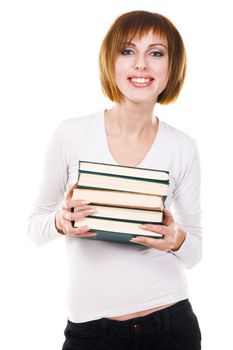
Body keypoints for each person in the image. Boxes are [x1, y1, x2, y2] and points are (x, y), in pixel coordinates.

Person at [28, 10, 202, 350]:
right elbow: (33, 228)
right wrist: (60, 222)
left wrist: (177, 237)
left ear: (172, 66)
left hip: (170, 326)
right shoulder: (71, 134)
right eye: (127, 51)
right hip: (91, 334)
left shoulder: (183, 147)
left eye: (156, 52)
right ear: (111, 62)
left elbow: (195, 253)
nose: (141, 65)